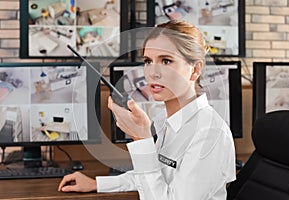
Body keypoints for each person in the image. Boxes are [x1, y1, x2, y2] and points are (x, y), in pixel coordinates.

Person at [58, 19, 236, 199]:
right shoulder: (164, 120)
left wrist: (141, 139)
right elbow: (154, 176)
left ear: (195, 70)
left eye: (166, 61)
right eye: (148, 61)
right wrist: (97, 184)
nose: (153, 72)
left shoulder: (210, 133)